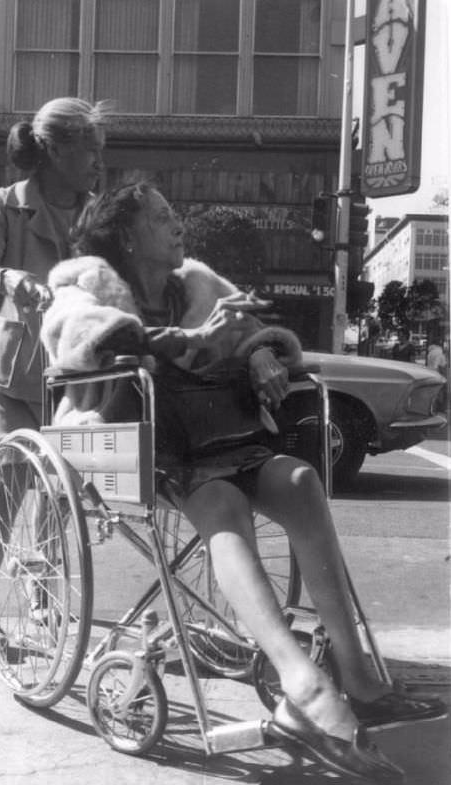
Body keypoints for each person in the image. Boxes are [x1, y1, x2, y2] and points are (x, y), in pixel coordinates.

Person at [41, 182, 446, 783]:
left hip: (223, 436)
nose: (178, 225)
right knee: (223, 502)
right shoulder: (84, 283)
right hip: (142, 444)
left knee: (301, 478)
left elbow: (250, 332)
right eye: (162, 216)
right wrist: (179, 343)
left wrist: (259, 353)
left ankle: (356, 673)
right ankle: (302, 687)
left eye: (173, 212)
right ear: (127, 236)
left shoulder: (197, 284)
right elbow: (80, 339)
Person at [0, 96, 110, 650]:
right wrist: (5, 279)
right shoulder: (4, 204)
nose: (97, 159)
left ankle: (45, 603)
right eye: (88, 147)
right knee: (11, 483)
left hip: (70, 374)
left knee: (59, 491)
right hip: (6, 373)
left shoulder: (100, 212)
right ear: (54, 150)